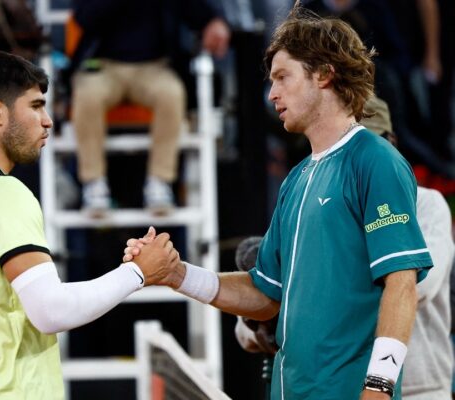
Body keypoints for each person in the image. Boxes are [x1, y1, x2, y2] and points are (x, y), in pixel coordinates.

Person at [124, 7, 433, 399]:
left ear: (324, 74)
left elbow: (402, 284)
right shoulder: (296, 179)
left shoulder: (375, 160)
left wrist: (379, 387)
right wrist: (177, 275)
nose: (272, 93)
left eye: (283, 78)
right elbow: (265, 295)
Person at [0, 50, 179, 399]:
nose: (48, 120)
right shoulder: (3, 193)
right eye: (36, 106)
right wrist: (137, 273)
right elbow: (50, 311)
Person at [235, 96, 455, 400]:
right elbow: (248, 327)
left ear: (391, 143)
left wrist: (310, 292)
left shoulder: (427, 204)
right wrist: (266, 323)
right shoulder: (309, 197)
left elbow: (417, 283)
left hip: (420, 388)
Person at [70, 0, 230, 216]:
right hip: (102, 64)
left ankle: (160, 182)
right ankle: (93, 184)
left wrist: (214, 21)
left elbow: (195, 9)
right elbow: (84, 18)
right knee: (87, 95)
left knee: (171, 94)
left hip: (154, 66)